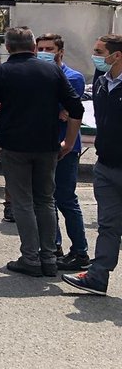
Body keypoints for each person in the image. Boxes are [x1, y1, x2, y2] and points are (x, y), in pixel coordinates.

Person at [0, 27, 84, 277]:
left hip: (14, 146)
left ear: (8, 48)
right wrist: (69, 142)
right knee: (45, 200)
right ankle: (49, 257)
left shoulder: (1, 72)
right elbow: (76, 107)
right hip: (48, 145)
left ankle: (30, 257)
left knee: (22, 202)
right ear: (33, 47)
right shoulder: (52, 70)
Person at [63, 34, 122, 296]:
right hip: (106, 165)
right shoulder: (101, 82)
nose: (94, 56)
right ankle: (97, 277)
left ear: (116, 55)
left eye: (99, 52)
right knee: (108, 225)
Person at [35, 33, 91, 270]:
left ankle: (80, 251)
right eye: (40, 49)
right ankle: (52, 246)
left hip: (65, 146)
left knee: (65, 199)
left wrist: (58, 110)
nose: (44, 53)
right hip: (42, 146)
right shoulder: (38, 75)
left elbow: (65, 109)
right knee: (45, 199)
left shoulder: (72, 77)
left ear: (60, 51)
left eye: (49, 49)